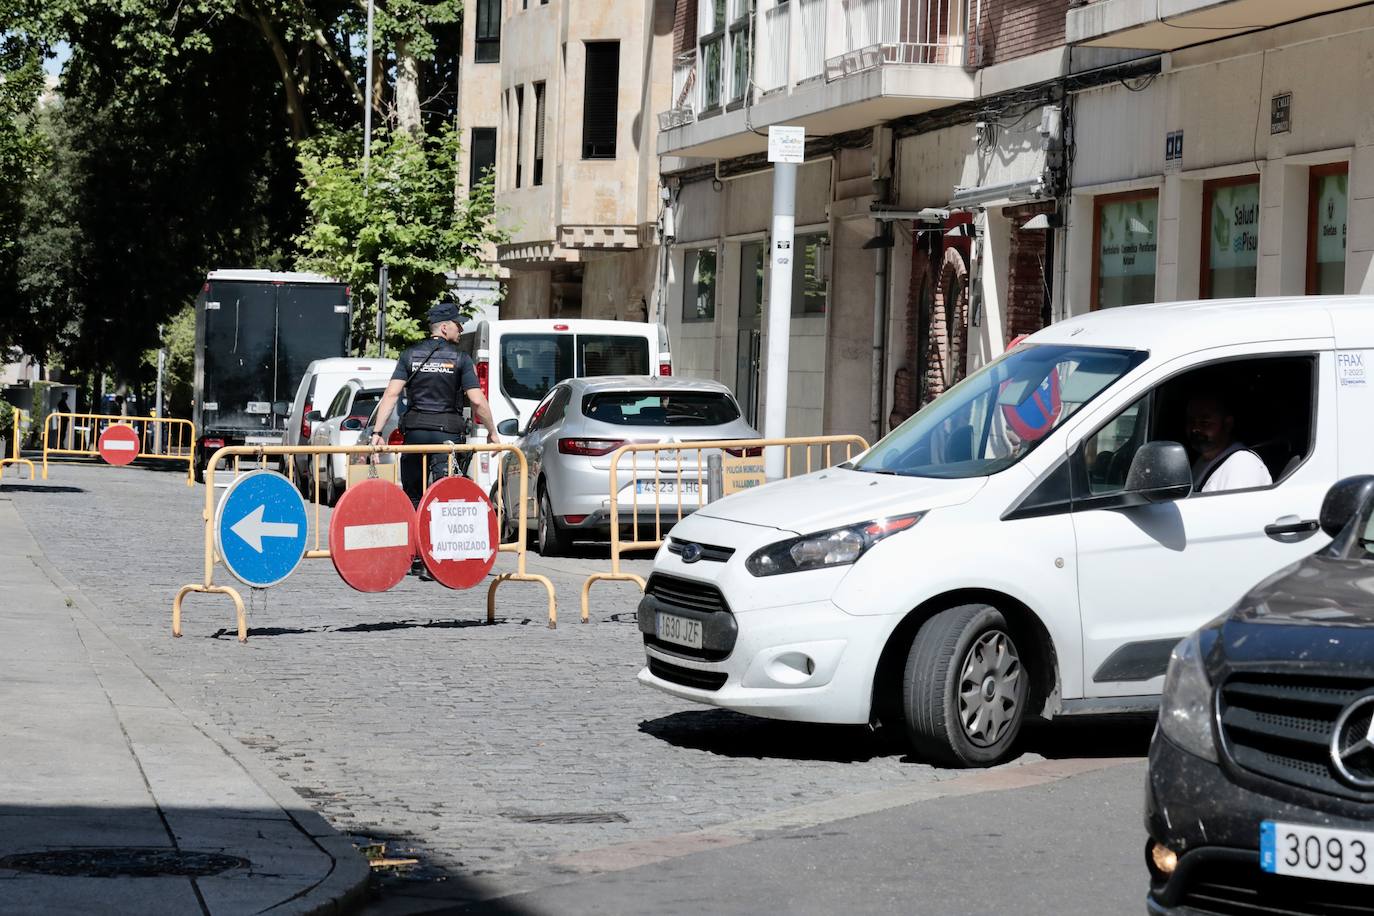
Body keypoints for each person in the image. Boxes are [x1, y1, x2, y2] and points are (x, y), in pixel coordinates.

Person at [370, 302, 500, 508]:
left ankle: (415, 539)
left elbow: (391, 394)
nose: (461, 329)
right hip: (447, 437)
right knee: (444, 498)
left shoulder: (409, 355)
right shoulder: (461, 359)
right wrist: (492, 431)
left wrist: (376, 432)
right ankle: (437, 539)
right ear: (444, 327)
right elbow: (477, 400)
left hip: (415, 436)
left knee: (413, 497)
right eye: (458, 324)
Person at [1184, 392, 1271, 493]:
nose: (1195, 428)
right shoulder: (1202, 460)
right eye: (1190, 421)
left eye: (1205, 422)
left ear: (1227, 424)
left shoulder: (1242, 464)